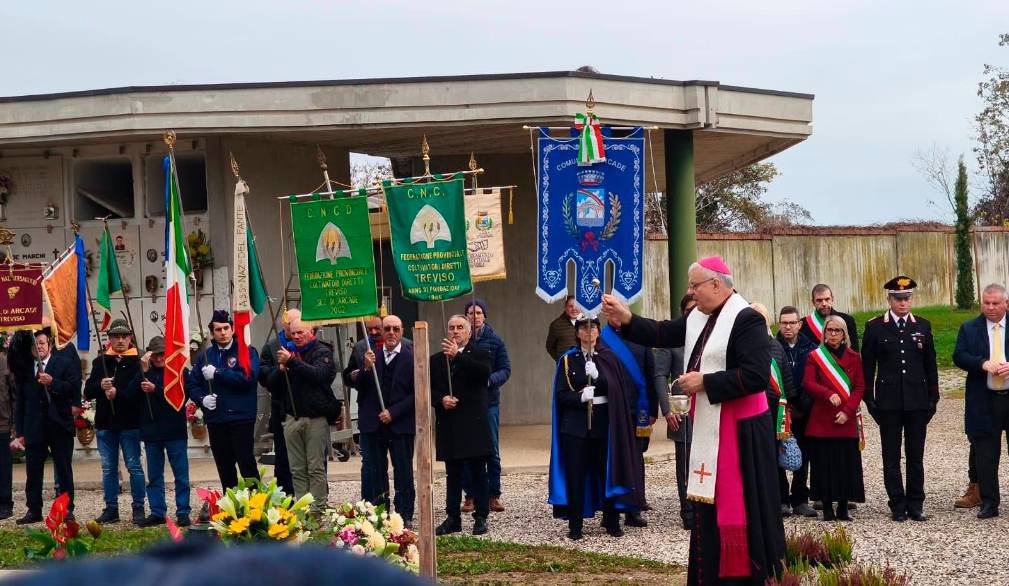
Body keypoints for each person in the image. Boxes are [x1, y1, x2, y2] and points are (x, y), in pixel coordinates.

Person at [602, 256, 785, 585]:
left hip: (741, 432)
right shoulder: (699, 316)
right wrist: (626, 318)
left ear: (716, 284)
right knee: (707, 509)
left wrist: (706, 382)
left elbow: (757, 376)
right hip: (710, 425)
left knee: (743, 507)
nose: (690, 291)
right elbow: (661, 332)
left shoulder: (746, 320)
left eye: (694, 285)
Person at [548, 314, 644, 540]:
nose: (588, 333)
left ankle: (611, 521)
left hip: (604, 425)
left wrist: (599, 376)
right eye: (583, 329)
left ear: (599, 332)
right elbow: (560, 396)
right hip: (575, 427)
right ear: (578, 333)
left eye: (592, 329)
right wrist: (579, 398)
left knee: (606, 473)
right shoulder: (567, 360)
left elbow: (618, 390)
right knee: (576, 475)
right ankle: (575, 524)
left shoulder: (609, 357)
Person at [861, 276, 938, 522]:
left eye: (907, 298)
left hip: (917, 400)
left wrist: (933, 398)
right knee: (891, 456)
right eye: (898, 298)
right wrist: (870, 400)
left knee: (916, 455)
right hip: (889, 402)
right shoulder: (875, 327)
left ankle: (916, 503)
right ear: (889, 299)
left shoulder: (923, 326)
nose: (903, 303)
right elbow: (867, 367)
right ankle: (897, 502)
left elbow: (930, 365)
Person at [269, 311, 339, 515]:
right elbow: (272, 385)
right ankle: (302, 508)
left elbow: (318, 375)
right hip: (291, 418)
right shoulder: (287, 352)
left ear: (311, 332)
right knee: (297, 468)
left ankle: (317, 509)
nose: (296, 337)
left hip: (315, 418)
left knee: (315, 467)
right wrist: (280, 370)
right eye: (293, 333)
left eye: (300, 332)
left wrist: (292, 362)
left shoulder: (322, 351)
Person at [350, 314, 416, 524]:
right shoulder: (371, 356)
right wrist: (366, 369)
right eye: (387, 329)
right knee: (376, 471)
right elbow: (359, 387)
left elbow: (417, 394)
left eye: (395, 329)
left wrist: (394, 412)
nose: (391, 333)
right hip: (373, 424)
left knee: (403, 470)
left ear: (402, 331)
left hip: (400, 424)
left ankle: (404, 515)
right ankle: (379, 513)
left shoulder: (411, 358)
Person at [432, 315, 493, 536]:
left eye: (460, 328)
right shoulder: (437, 360)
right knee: (453, 474)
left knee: (478, 472)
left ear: (468, 332)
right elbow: (429, 389)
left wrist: (458, 356)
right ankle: (452, 517)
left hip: (473, 423)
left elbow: (483, 374)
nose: (455, 331)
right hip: (449, 424)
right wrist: (441, 400)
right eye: (451, 328)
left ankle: (481, 516)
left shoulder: (480, 353)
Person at [12, 329, 81, 524]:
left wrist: (53, 382)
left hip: (59, 425)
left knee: (63, 468)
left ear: (49, 344)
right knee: (33, 471)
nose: (39, 347)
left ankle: (67, 508)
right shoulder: (25, 370)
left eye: (42, 343)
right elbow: (21, 402)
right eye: (35, 345)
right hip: (35, 427)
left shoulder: (63, 364)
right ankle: (34, 509)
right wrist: (21, 431)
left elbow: (73, 389)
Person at [952, 283, 1009, 519]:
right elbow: (959, 355)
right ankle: (989, 502)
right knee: (986, 454)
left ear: (1006, 303)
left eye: (996, 303)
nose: (991, 307)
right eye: (986, 303)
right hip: (983, 400)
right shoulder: (969, 328)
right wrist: (982, 364)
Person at [188, 310, 261, 490]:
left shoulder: (246, 351)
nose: (223, 333)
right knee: (224, 465)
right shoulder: (205, 356)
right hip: (216, 419)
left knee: (246, 464)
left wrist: (218, 373)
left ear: (232, 329)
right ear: (212, 333)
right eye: (218, 329)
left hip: (240, 417)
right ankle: (232, 505)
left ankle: (258, 505)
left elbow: (248, 379)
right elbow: (192, 384)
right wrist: (202, 399)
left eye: (226, 328)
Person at [803, 315, 866, 521]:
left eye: (837, 331)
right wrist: (827, 393)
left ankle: (844, 506)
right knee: (824, 463)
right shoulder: (815, 356)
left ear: (844, 334)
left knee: (845, 463)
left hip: (845, 418)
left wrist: (848, 411)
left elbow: (859, 387)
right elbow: (809, 383)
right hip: (823, 418)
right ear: (824, 333)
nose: (833, 334)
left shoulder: (854, 356)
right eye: (829, 330)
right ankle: (827, 506)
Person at [83, 319, 146, 524]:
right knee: (108, 468)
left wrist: (117, 394)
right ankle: (111, 508)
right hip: (106, 424)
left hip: (129, 423)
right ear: (109, 339)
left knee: (134, 466)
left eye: (124, 336)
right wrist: (100, 386)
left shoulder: (139, 362)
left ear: (130, 338)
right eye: (116, 337)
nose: (120, 340)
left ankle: (138, 507)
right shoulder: (100, 361)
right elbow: (88, 392)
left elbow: (139, 393)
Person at [125, 336, 192, 527]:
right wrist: (142, 372)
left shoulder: (179, 370)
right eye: (156, 354)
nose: (160, 358)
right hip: (151, 431)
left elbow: (181, 396)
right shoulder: (144, 371)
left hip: (174, 430)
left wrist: (156, 389)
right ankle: (157, 511)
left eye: (163, 353)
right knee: (154, 475)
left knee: (181, 475)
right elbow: (129, 395)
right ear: (150, 355)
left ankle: (183, 511)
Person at [461, 299, 511, 514]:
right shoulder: (461, 341)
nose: (475, 316)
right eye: (471, 312)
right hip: (465, 404)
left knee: (492, 450)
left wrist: (489, 380)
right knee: (466, 450)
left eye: (479, 312)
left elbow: (506, 369)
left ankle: (493, 494)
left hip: (488, 402)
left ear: (485, 316)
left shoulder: (495, 341)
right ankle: (470, 496)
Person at [750, 303, 798, 519]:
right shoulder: (744, 345)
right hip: (751, 407)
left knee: (774, 456)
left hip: (774, 409)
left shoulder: (775, 346)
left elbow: (786, 379)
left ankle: (781, 499)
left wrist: (789, 407)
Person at [654, 294, 696, 530]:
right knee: (685, 460)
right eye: (689, 309)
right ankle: (688, 511)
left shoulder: (711, 333)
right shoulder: (671, 338)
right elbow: (660, 375)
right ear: (683, 312)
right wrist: (667, 408)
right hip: (682, 409)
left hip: (708, 407)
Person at [775, 305, 819, 518]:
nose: (788, 327)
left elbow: (813, 381)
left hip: (803, 409)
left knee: (804, 454)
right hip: (779, 409)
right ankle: (782, 499)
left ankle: (800, 498)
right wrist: (785, 406)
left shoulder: (810, 348)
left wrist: (800, 406)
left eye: (792, 323)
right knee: (778, 452)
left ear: (800, 324)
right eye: (784, 323)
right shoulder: (772, 347)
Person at [258, 316, 296, 495]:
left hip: (307, 410)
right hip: (282, 410)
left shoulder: (311, 345)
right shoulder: (271, 347)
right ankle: (284, 495)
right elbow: (264, 379)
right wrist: (278, 370)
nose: (294, 330)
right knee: (283, 458)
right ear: (284, 324)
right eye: (291, 325)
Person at [801, 284, 860, 350]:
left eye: (827, 299)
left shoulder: (848, 320)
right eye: (819, 300)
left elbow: (854, 351)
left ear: (832, 299)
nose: (824, 303)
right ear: (813, 302)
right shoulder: (804, 324)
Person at [545, 295, 580, 361]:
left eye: (577, 306)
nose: (574, 309)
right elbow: (550, 347)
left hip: (584, 365)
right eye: (570, 306)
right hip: (565, 366)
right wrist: (560, 360)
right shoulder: (556, 324)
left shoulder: (588, 323)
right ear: (565, 307)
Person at [0, 345, 13, 520]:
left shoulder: (4, 361)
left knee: (3, 466)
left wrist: (15, 423)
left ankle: (4, 503)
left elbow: (13, 391)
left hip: (2, 422)